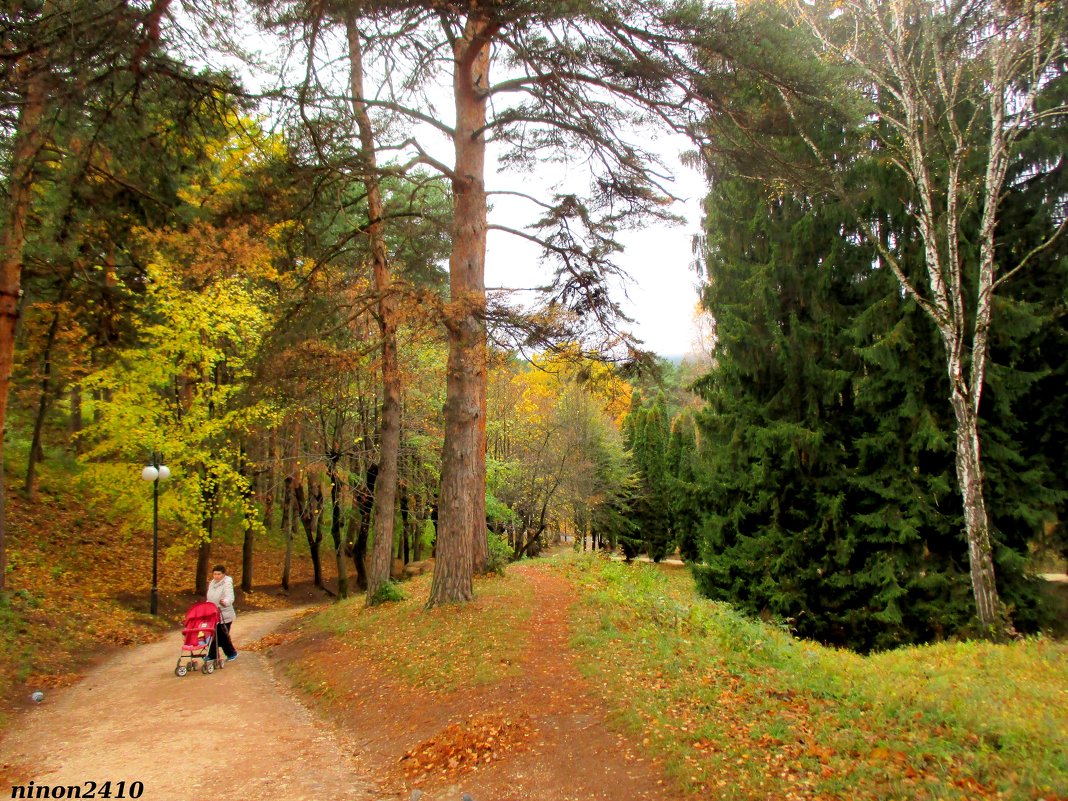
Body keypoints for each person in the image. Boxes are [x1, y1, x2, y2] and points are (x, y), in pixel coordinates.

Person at [206, 564, 238, 662]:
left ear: (223, 574)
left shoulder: (227, 583)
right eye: (215, 574)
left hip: (224, 614)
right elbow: (210, 597)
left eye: (219, 574)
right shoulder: (212, 583)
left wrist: (225, 602)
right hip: (213, 614)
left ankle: (232, 653)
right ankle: (213, 655)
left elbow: (230, 596)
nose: (216, 576)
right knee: (213, 634)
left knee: (223, 635)